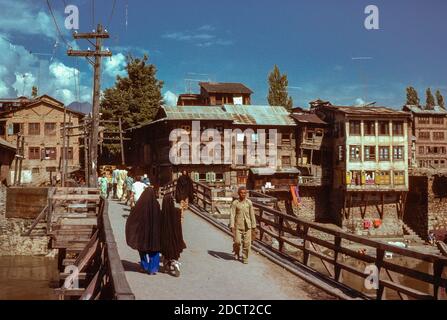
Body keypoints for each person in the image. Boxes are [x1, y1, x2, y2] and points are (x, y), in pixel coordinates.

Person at [125, 188, 162, 275]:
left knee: (142, 249)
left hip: (142, 233)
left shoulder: (139, 205)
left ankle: (144, 266)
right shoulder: (156, 205)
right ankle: (152, 269)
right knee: (154, 250)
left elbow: (132, 217)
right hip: (153, 233)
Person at [161, 194, 187, 277]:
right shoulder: (176, 211)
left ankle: (166, 265)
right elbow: (181, 218)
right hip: (176, 237)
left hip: (165, 238)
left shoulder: (162, 213)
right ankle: (175, 264)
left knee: (166, 253)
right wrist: (182, 209)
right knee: (175, 252)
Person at [230, 186, 257, 264]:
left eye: (245, 193)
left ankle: (245, 257)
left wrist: (254, 226)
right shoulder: (235, 203)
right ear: (239, 193)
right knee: (237, 242)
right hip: (238, 226)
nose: (243, 194)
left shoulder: (249, 203)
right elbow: (232, 214)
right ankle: (236, 252)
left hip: (247, 226)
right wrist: (232, 226)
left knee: (247, 243)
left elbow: (252, 215)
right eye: (241, 193)